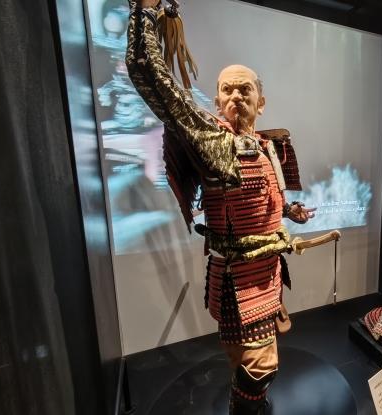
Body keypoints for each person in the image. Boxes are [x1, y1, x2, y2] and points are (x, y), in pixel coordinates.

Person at [126, 2, 316, 413]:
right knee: (259, 369)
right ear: (216, 102)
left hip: (268, 271)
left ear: (261, 102)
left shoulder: (267, 145)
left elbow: (265, 197)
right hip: (239, 280)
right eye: (227, 90)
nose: (235, 96)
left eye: (244, 89)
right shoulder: (215, 143)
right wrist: (145, 13)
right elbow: (148, 74)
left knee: (256, 360)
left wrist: (290, 211)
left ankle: (247, 402)